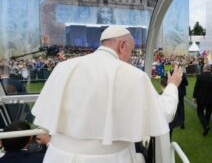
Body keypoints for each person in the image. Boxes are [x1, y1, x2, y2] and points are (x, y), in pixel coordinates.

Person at [31, 26, 183, 163]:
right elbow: (163, 113)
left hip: (57, 157)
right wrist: (172, 85)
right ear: (122, 45)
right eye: (131, 51)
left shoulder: (63, 68)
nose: (130, 57)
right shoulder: (133, 75)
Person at [193, 65, 212, 136]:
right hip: (211, 98)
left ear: (204, 69)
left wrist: (194, 96)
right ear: (210, 69)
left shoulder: (200, 76)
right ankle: (206, 125)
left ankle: (205, 126)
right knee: (208, 112)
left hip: (201, 97)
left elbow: (196, 87)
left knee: (200, 112)